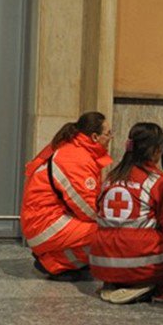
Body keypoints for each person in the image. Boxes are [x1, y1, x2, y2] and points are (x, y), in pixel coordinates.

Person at [90, 122, 163, 304]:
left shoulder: (111, 178)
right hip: (140, 263)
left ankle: (120, 280)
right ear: (157, 150)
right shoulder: (161, 183)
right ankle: (158, 289)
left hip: (101, 264)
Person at [21, 111, 112, 281]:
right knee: (108, 233)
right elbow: (88, 209)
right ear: (94, 137)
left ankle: (59, 261)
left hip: (42, 221)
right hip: (45, 225)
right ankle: (54, 263)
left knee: (104, 231)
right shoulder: (76, 158)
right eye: (108, 133)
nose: (110, 137)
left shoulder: (75, 150)